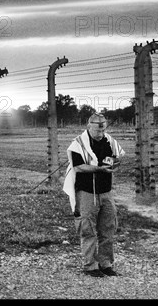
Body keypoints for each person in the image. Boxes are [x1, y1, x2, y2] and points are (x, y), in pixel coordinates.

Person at [62, 113, 125, 277]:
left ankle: (105, 264)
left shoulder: (109, 141)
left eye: (103, 129)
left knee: (108, 228)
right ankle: (91, 266)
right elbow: (79, 167)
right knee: (88, 229)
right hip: (87, 192)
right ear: (89, 126)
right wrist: (99, 169)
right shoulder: (78, 144)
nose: (101, 133)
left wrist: (115, 163)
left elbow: (117, 158)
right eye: (98, 130)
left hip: (106, 191)